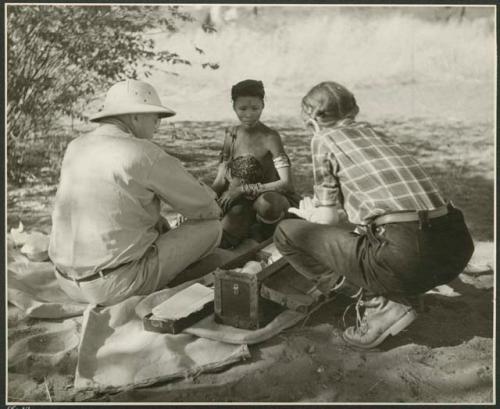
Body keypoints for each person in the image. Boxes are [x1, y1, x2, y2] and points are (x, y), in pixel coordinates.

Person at [273, 81, 474, 349]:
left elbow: (327, 220)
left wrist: (311, 214)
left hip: (408, 253)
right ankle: (400, 291)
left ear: (313, 120)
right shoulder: (375, 135)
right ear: (353, 111)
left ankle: (379, 303)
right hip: (454, 247)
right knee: (373, 235)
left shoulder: (323, 139)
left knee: (286, 233)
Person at [48, 79, 222, 306]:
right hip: (113, 286)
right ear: (135, 116)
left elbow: (111, 201)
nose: (157, 126)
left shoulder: (77, 145)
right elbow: (205, 207)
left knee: (156, 223)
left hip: (66, 282)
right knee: (212, 227)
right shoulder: (142, 152)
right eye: (155, 117)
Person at [211, 79, 299, 248]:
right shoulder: (231, 135)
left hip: (269, 198)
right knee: (222, 238)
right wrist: (205, 199)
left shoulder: (270, 137)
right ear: (233, 107)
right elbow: (220, 180)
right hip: (240, 201)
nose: (249, 114)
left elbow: (287, 184)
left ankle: (270, 233)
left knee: (267, 204)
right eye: (242, 109)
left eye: (255, 108)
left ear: (263, 105)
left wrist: (242, 189)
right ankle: (250, 232)